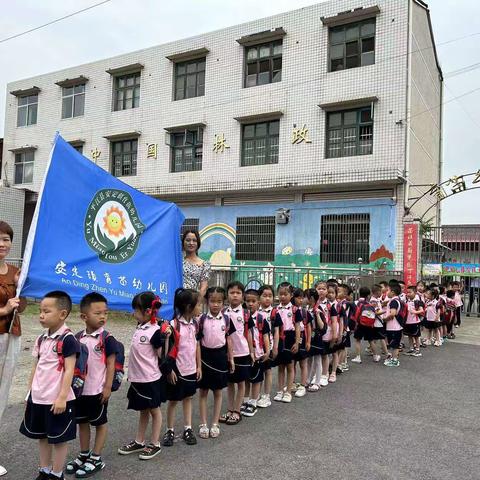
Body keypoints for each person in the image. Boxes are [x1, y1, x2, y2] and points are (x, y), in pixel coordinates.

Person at [20, 291, 80, 480]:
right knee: (42, 435)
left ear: (62, 314)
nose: (41, 315)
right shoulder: (41, 338)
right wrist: (30, 392)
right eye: (40, 311)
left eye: (46, 311)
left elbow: (69, 370)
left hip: (57, 400)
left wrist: (62, 397)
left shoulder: (68, 339)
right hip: (39, 397)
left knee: (59, 438)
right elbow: (36, 367)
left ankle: (56, 473)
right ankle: (44, 470)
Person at [66, 293, 118, 477]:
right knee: (83, 423)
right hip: (80, 392)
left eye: (105, 312)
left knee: (100, 423)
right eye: (98, 313)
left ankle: (96, 457)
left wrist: (107, 387)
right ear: (84, 317)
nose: (103, 316)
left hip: (98, 391)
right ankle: (84, 454)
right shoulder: (77, 337)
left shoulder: (107, 339)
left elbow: (111, 364)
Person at [118, 292, 166, 460]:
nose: (133, 314)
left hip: (150, 379)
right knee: (143, 410)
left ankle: (155, 443)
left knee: (154, 410)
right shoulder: (140, 326)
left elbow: (162, 356)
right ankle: (139, 441)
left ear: (147, 311)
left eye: (136, 311)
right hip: (137, 378)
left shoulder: (155, 331)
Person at [0, 221, 26, 477]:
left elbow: (24, 307)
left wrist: (22, 287)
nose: (2, 244)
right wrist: (4, 310)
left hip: (12, 337)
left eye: (6, 239)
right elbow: (8, 308)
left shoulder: (17, 271)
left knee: (2, 394)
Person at [162, 288, 202, 447]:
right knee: (173, 401)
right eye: (198, 304)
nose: (200, 307)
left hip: (191, 369)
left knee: (188, 398)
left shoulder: (195, 324)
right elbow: (167, 350)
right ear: (188, 306)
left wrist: (199, 366)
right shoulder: (173, 325)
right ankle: (169, 430)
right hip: (177, 371)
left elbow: (197, 345)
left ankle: (188, 428)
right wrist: (169, 370)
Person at [197, 287, 235, 439]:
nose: (216, 305)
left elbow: (229, 339)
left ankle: (215, 423)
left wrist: (231, 358)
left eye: (219, 301)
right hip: (205, 357)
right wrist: (197, 364)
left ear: (223, 302)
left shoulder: (226, 319)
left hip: (220, 357)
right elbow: (197, 343)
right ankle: (203, 423)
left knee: (218, 392)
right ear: (207, 301)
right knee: (203, 391)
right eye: (212, 301)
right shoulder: (201, 319)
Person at [220, 282, 253, 425]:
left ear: (243, 296)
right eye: (232, 292)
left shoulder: (246, 313)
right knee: (230, 382)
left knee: (240, 382)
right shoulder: (223, 313)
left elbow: (250, 333)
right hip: (228, 354)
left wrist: (252, 351)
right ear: (227, 295)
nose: (235, 295)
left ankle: (237, 410)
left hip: (242, 353)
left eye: (238, 293)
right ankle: (230, 408)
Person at [272, 282, 302, 403]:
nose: (283, 296)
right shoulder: (275, 310)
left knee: (290, 366)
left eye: (286, 294)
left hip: (290, 337)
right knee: (280, 366)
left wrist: (297, 342)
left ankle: (288, 391)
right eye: (281, 294)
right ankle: (280, 391)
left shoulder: (295, 310)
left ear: (291, 296)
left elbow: (298, 327)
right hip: (279, 337)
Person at [243, 289, 270, 416]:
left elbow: (265, 335)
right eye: (248, 301)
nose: (250, 304)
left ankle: (254, 402)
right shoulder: (242, 317)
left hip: (258, 353)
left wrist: (268, 350)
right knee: (246, 379)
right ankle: (245, 400)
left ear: (258, 303)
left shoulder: (261, 318)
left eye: (253, 301)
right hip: (245, 353)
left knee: (256, 379)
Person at [351, 287, 382, 364]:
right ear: (368, 295)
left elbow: (354, 314)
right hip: (368, 325)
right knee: (371, 340)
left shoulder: (356, 303)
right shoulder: (369, 304)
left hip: (359, 324)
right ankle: (376, 356)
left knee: (358, 340)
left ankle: (358, 357)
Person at [257, 285, 275, 407]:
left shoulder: (274, 312)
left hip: (269, 345)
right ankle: (255, 395)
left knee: (267, 370)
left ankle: (266, 395)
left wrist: (275, 347)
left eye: (270, 296)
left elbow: (277, 331)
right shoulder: (254, 311)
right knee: (257, 371)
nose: (267, 299)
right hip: (256, 345)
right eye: (264, 296)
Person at [304, 288, 324, 392]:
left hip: (316, 336)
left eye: (305, 297)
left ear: (311, 298)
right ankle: (308, 379)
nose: (303, 299)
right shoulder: (307, 308)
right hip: (309, 336)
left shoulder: (318, 309)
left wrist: (317, 314)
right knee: (309, 359)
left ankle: (317, 382)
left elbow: (321, 326)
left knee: (317, 360)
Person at [291, 288, 310, 398]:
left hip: (302, 338)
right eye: (299, 298)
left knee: (303, 363)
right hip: (291, 337)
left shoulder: (304, 311)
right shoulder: (290, 310)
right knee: (292, 362)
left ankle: (303, 385)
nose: (301, 300)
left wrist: (308, 341)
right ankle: (292, 383)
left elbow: (308, 327)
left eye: (302, 298)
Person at [182, 230, 210, 297]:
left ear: (198, 243)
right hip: (177, 301)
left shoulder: (204, 264)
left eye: (194, 240)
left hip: (193, 301)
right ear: (183, 242)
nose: (191, 243)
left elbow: (203, 288)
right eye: (188, 240)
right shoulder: (178, 262)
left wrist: (197, 302)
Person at [384, 283, 403, 367]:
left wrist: (385, 319)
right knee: (394, 344)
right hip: (395, 326)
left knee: (395, 345)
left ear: (393, 292)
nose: (386, 292)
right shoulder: (396, 300)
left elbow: (393, 313)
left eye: (388, 290)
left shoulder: (394, 301)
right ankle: (394, 358)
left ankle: (395, 360)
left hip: (394, 327)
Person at [403, 286, 424, 357]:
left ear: (415, 292)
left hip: (415, 322)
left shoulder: (417, 301)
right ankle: (411, 349)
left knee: (416, 336)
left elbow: (421, 310)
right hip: (407, 322)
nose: (408, 294)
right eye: (407, 292)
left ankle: (417, 350)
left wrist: (415, 312)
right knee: (409, 335)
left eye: (410, 292)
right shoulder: (406, 301)